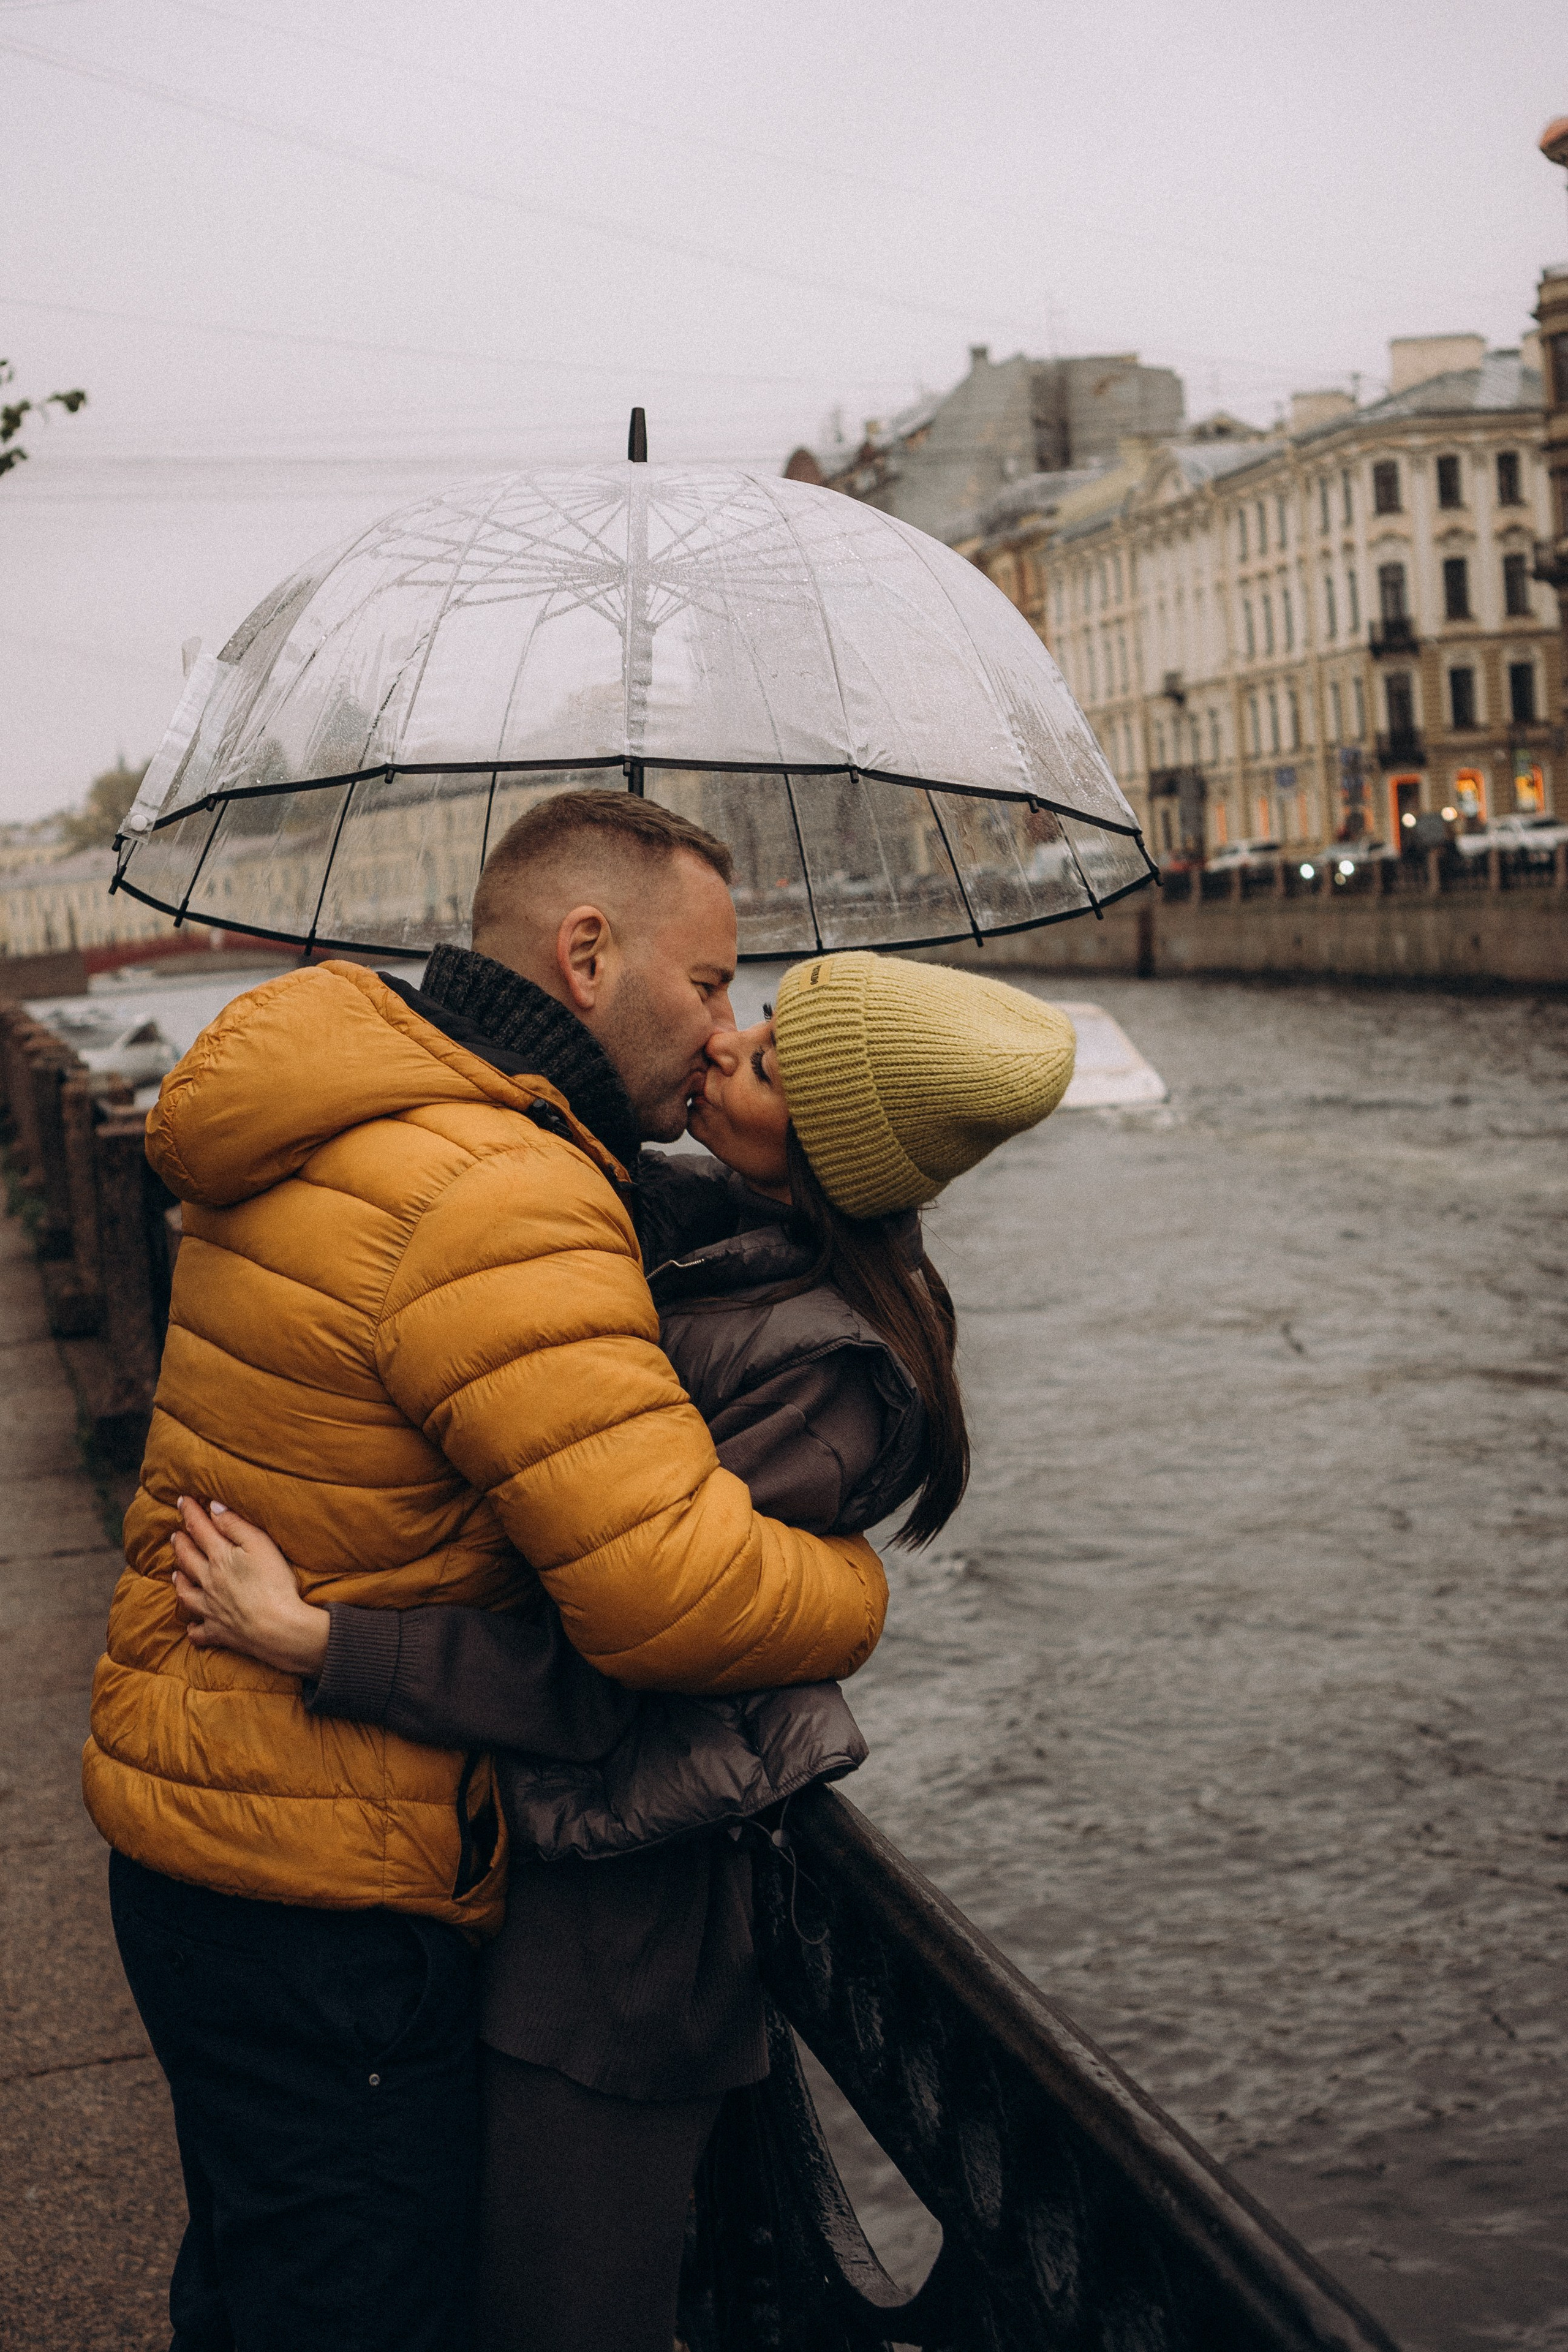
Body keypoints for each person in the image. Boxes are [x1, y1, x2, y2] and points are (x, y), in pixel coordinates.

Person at [162, 945, 1078, 2352]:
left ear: (832, 1155)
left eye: (765, 1060)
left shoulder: (831, 1379)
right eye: (740, 1013)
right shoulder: (669, 1218)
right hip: (490, 1867)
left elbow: (622, 1656)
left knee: (543, 2319)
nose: (722, 1047)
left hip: (609, 1951)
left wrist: (325, 1642)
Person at [84, 793, 895, 2352]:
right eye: (712, 983)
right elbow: (659, 1590)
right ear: (587, 954)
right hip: (326, 1875)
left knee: (254, 2281)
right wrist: (856, 1594)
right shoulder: (503, 1185)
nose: (724, 1029)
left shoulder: (357, 1100)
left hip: (196, 1811)